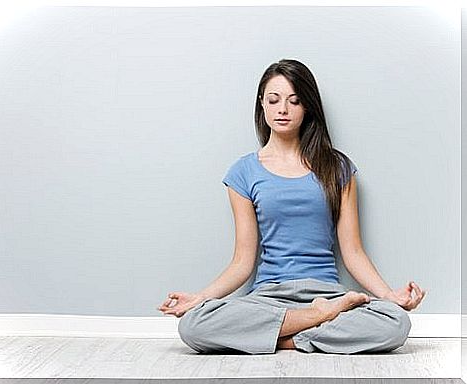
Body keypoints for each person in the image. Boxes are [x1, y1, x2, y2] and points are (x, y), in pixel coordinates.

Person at [157, 59, 426, 355]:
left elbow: (353, 251)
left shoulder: (337, 167)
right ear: (262, 104)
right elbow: (242, 261)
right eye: (274, 100)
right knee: (194, 325)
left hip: (327, 292)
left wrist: (389, 296)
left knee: (396, 322)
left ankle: (283, 337)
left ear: (307, 106)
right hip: (269, 297)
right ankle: (314, 321)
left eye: (294, 101)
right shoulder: (243, 172)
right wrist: (200, 298)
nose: (282, 109)